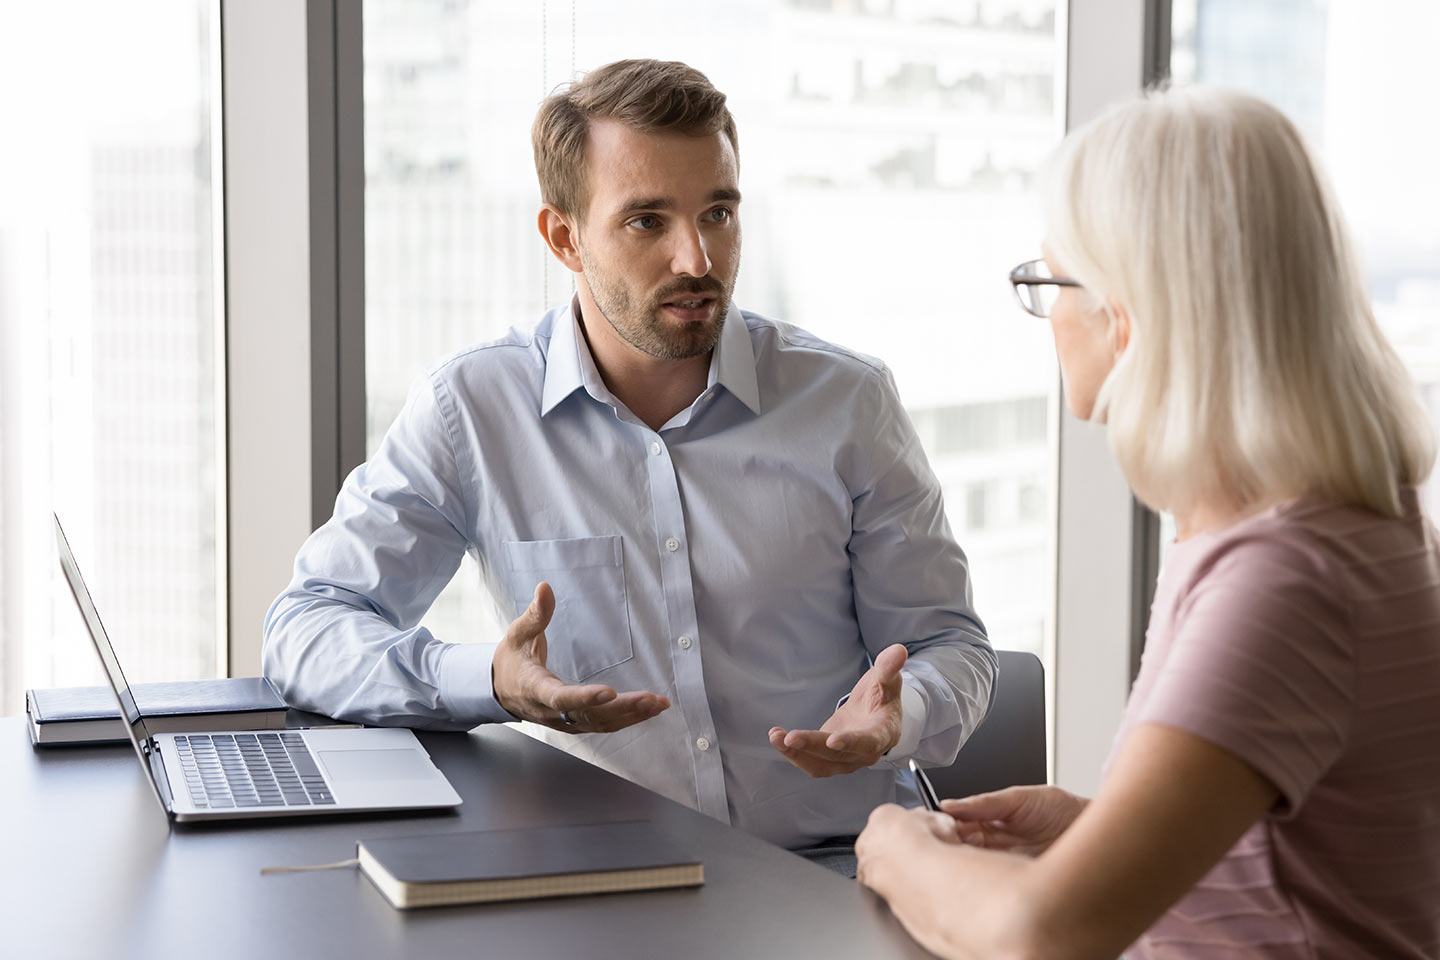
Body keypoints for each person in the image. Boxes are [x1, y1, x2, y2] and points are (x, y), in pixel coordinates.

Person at [262, 59, 996, 852]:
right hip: (600, 887)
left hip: (836, 874)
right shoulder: (471, 410)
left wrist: (902, 714)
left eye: (718, 212)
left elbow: (949, 646)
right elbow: (307, 628)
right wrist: (488, 683)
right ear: (564, 237)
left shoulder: (847, 403)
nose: (698, 260)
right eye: (648, 221)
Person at [855, 85, 1440, 958]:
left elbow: (1043, 936)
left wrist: (892, 844)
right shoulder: (1324, 528)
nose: (1049, 315)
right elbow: (1303, 854)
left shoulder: (1284, 579)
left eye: (1052, 280)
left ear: (1124, 318)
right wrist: (1094, 832)